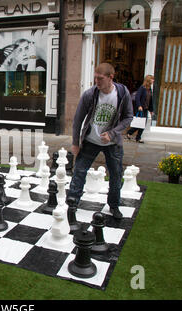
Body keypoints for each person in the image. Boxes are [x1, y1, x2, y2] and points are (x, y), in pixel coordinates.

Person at [66, 63, 133, 219]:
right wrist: (75, 143)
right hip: (90, 140)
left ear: (111, 77)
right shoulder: (89, 94)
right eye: (95, 78)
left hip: (113, 143)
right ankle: (73, 202)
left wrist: (113, 132)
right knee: (79, 171)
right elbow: (77, 120)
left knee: (116, 175)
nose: (97, 81)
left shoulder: (122, 93)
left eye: (100, 78)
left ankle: (114, 205)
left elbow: (128, 117)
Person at [127, 75, 155, 143]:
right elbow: (137, 97)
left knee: (142, 124)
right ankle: (134, 135)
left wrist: (151, 110)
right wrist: (139, 105)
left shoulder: (150, 89)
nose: (153, 80)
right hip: (140, 108)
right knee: (140, 123)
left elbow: (150, 100)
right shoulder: (142, 88)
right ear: (148, 80)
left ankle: (133, 135)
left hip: (145, 109)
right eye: (152, 79)